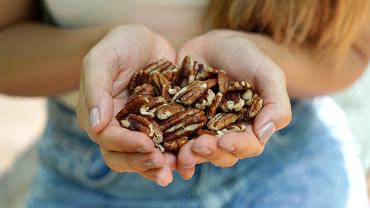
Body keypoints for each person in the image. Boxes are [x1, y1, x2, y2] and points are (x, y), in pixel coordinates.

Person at [0, 0, 369, 207]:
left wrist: (264, 58)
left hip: (289, 160)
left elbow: (355, 48)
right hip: (91, 174)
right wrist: (96, 55)